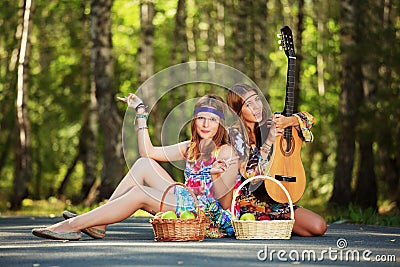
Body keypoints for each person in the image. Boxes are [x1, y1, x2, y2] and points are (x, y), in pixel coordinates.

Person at [32, 94, 239, 240]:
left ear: (220, 123)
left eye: (212, 119)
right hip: (186, 199)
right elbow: (147, 152)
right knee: (143, 164)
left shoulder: (226, 151)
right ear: (194, 121)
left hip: (205, 213)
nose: (205, 124)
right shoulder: (191, 146)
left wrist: (215, 177)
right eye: (201, 118)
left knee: (140, 193)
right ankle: (99, 222)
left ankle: (73, 226)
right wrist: (141, 114)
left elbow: (225, 204)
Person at [227, 83, 327, 237]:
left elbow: (310, 119)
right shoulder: (235, 134)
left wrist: (289, 121)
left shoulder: (268, 125)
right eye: (248, 104)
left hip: (274, 198)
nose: (256, 107)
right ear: (238, 112)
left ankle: (276, 222)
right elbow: (249, 174)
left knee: (319, 226)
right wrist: (269, 141)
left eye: (257, 100)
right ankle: (268, 223)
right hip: (249, 203)